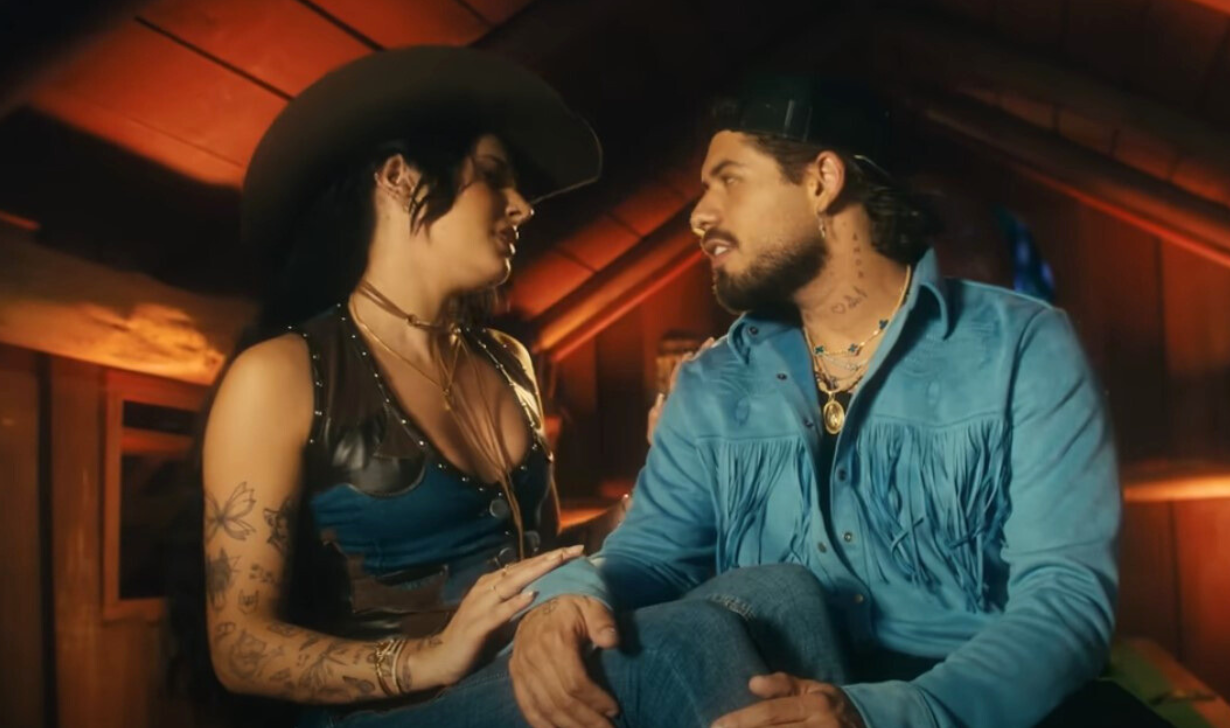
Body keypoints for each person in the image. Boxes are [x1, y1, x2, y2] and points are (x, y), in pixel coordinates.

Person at [174, 47, 849, 728]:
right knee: (685, 641)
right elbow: (238, 646)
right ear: (400, 178)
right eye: (494, 176)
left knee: (785, 596)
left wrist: (652, 492)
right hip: (392, 710)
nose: (523, 207)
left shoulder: (508, 361)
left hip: (513, 666)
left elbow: (537, 559)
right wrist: (433, 657)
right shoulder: (280, 374)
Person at [509, 77, 1129, 728]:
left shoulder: (1022, 345)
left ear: (822, 180)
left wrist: (888, 714)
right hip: (762, 696)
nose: (699, 215)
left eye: (728, 180)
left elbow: (1066, 598)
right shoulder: (709, 384)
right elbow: (649, 559)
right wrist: (563, 597)